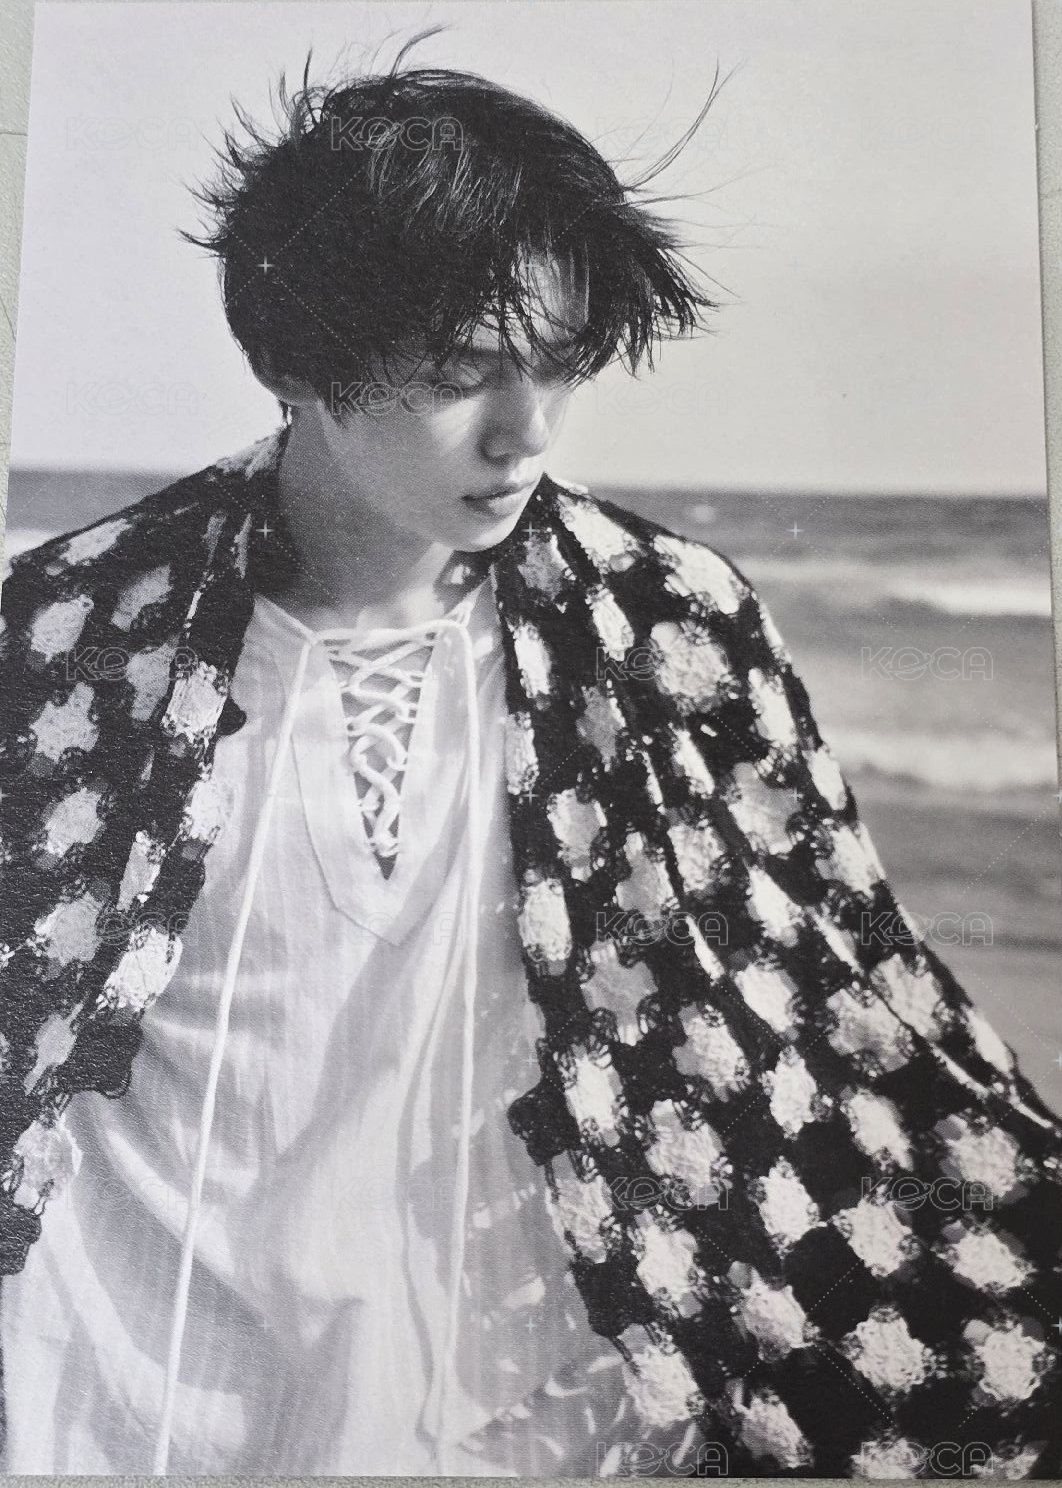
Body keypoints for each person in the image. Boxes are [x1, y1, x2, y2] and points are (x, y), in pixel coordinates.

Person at [2, 33, 1062, 1479]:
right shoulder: (76, 630)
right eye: (462, 374)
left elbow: (847, 998)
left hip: (523, 1384)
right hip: (137, 1393)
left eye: (559, 370)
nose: (526, 434)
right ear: (296, 357)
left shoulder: (665, 625)